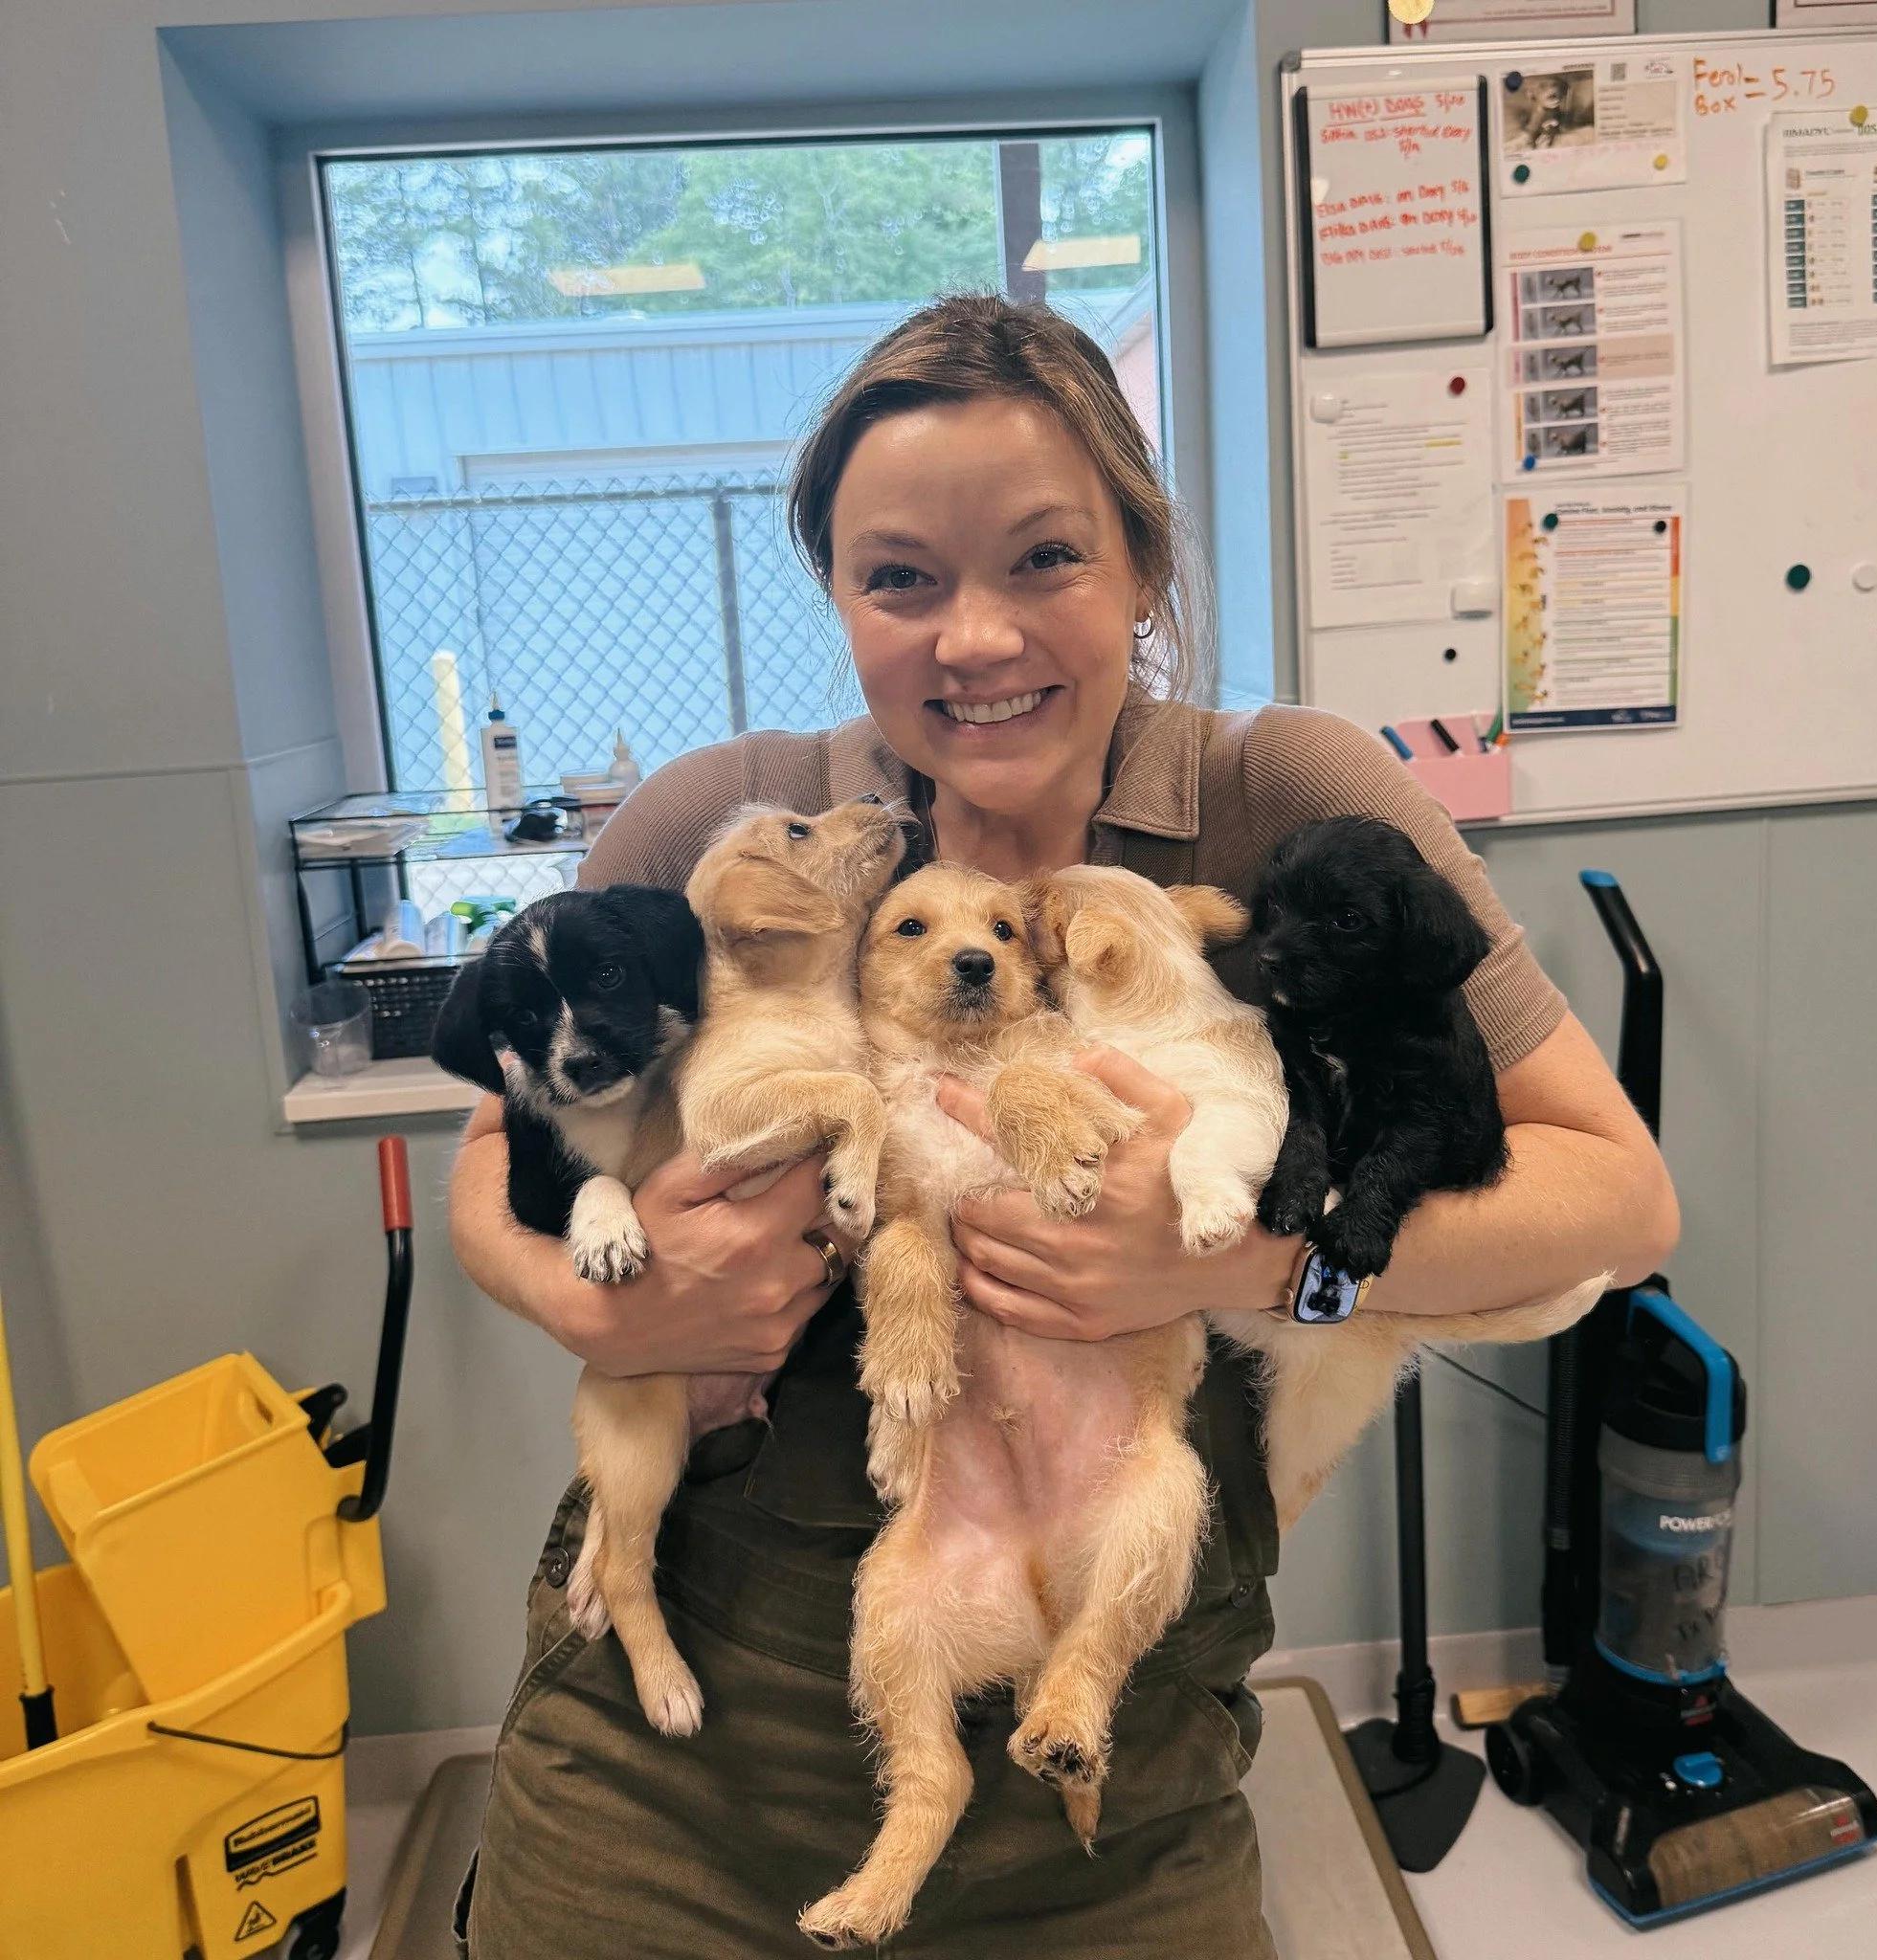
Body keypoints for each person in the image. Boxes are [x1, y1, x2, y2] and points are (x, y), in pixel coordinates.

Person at [449, 295, 1677, 1958]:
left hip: (1113, 1713)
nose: (975, 639)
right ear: (839, 595)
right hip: (686, 1736)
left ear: (1144, 568)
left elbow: (1621, 1200)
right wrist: (602, 1305)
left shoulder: (1281, 799)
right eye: (900, 578)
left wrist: (1242, 1264)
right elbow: (497, 1165)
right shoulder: (730, 835)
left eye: (1045, 559)